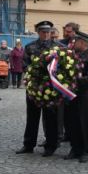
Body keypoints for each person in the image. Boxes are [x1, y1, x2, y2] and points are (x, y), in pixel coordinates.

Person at [17, 21, 60, 156]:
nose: (46, 34)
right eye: (43, 32)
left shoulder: (58, 47)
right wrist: (35, 75)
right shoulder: (30, 47)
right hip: (34, 87)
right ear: (38, 32)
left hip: (50, 89)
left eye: (48, 32)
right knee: (32, 117)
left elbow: (61, 68)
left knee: (50, 119)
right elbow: (25, 65)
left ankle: (50, 146)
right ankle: (28, 144)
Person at [64, 31, 88, 163]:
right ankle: (75, 148)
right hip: (72, 94)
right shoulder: (73, 55)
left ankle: (87, 150)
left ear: (83, 43)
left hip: (85, 95)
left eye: (76, 41)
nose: (73, 43)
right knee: (72, 122)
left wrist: (74, 80)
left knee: (85, 123)